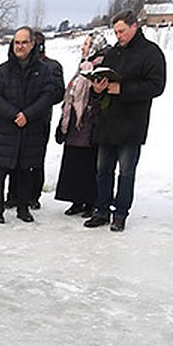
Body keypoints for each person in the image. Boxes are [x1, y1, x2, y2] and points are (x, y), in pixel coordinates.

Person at [86, 10, 167, 232]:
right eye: (115, 32)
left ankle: (120, 213)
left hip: (132, 123)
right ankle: (101, 210)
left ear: (134, 27)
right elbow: (103, 78)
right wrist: (98, 88)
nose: (118, 36)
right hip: (107, 121)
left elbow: (156, 86)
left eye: (121, 31)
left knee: (126, 172)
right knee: (103, 170)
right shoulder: (113, 53)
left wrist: (122, 89)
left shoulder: (151, 53)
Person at [0, 27, 63, 223]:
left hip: (31, 128)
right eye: (16, 43)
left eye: (24, 42)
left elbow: (48, 96)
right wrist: (14, 114)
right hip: (6, 129)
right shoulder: (3, 70)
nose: (19, 46)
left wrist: (28, 115)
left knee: (25, 171)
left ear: (32, 44)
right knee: (0, 173)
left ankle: (23, 209)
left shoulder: (43, 70)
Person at [54, 31, 108, 215]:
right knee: (73, 163)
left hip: (89, 123)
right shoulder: (84, 65)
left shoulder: (100, 66)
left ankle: (89, 201)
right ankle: (76, 200)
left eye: (86, 44)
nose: (83, 47)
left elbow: (98, 96)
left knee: (88, 164)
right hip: (75, 125)